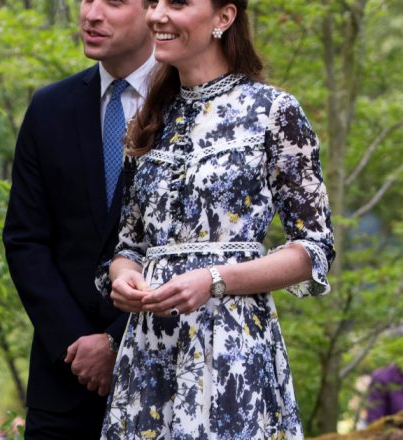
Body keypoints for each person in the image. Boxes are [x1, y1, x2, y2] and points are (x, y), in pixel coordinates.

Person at [97, 0, 335, 438]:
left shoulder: (273, 112)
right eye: (153, 2)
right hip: (149, 353)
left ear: (224, 18)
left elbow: (314, 250)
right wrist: (124, 277)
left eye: (178, 3)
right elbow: (128, 246)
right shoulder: (149, 117)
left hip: (232, 349)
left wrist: (213, 280)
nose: (157, 15)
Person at [2, 0, 155, 437]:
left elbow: (196, 248)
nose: (91, 13)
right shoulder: (49, 107)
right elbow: (25, 239)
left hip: (162, 371)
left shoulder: (188, 110)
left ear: (154, 11)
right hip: (62, 380)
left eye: (113, 2)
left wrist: (115, 342)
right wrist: (78, 344)